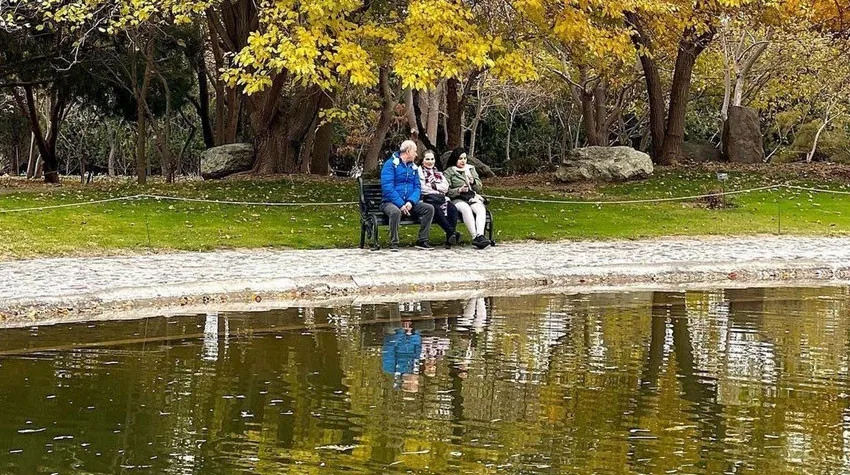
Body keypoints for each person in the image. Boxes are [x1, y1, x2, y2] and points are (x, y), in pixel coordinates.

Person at [380, 140, 435, 251]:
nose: (416, 154)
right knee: (395, 212)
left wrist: (410, 201)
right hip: (389, 202)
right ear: (408, 151)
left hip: (409, 203)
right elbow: (388, 188)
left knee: (429, 209)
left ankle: (422, 240)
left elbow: (417, 187)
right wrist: (401, 204)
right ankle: (394, 242)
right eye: (415, 151)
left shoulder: (413, 167)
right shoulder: (390, 165)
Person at [443, 147, 489, 249]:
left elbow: (479, 187)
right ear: (455, 159)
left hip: (470, 196)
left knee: (480, 208)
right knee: (466, 209)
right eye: (460, 158)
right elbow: (446, 191)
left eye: (464, 158)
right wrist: (458, 190)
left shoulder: (470, 169)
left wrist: (473, 182)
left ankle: (480, 235)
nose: (463, 161)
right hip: (457, 198)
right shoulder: (449, 172)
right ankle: (474, 237)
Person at [418, 150, 460, 249]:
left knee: (452, 209)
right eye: (427, 159)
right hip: (428, 199)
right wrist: (437, 188)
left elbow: (446, 187)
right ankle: (452, 233)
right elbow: (423, 188)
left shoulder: (438, 172)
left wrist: (434, 186)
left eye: (432, 159)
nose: (430, 161)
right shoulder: (419, 172)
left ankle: (449, 238)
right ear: (422, 161)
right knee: (436, 209)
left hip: (441, 198)